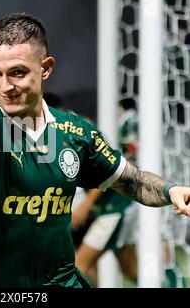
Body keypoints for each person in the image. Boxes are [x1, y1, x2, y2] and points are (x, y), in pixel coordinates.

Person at [0, 13, 190, 288]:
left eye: (17, 72)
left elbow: (130, 180)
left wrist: (170, 191)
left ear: (46, 68)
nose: (5, 86)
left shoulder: (76, 132)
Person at [71, 98, 139, 285]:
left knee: (78, 268)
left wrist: (85, 205)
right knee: (131, 270)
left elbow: (108, 173)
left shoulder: (75, 134)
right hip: (104, 211)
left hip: (114, 210)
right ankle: (169, 280)